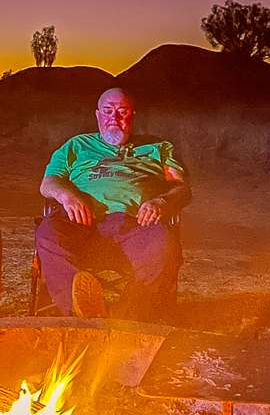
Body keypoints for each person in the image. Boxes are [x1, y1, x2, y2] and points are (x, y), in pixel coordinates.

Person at [36, 87, 190, 321]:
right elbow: (49, 182)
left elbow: (182, 188)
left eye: (122, 111)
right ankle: (79, 309)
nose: (114, 118)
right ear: (97, 115)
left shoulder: (158, 148)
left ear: (133, 115)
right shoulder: (77, 145)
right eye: (107, 111)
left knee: (165, 246)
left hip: (136, 224)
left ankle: (124, 318)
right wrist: (67, 197)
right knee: (47, 233)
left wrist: (161, 201)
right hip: (82, 222)